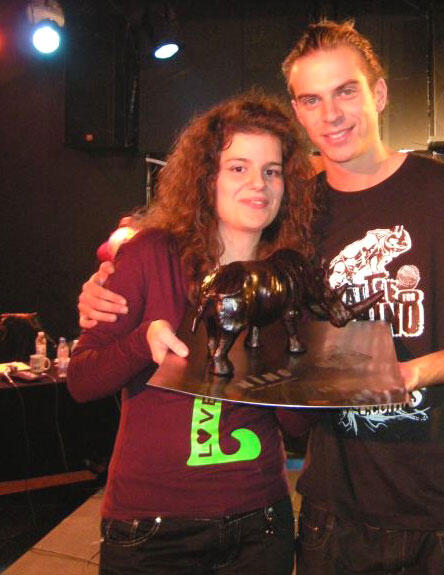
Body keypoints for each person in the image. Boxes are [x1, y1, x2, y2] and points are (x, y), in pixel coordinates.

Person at [78, 19, 444, 574]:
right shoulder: (297, 216)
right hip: (335, 504)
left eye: (346, 91)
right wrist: (110, 285)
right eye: (311, 99)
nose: (331, 114)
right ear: (298, 112)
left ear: (379, 94)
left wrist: (410, 374)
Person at [68, 92, 316, 574]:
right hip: (151, 528)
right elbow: (81, 381)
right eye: (238, 168)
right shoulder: (150, 254)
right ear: (207, 178)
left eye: (272, 171)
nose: (258, 184)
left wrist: (294, 373)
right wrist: (142, 341)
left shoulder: (286, 278)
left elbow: (298, 429)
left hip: (259, 522)